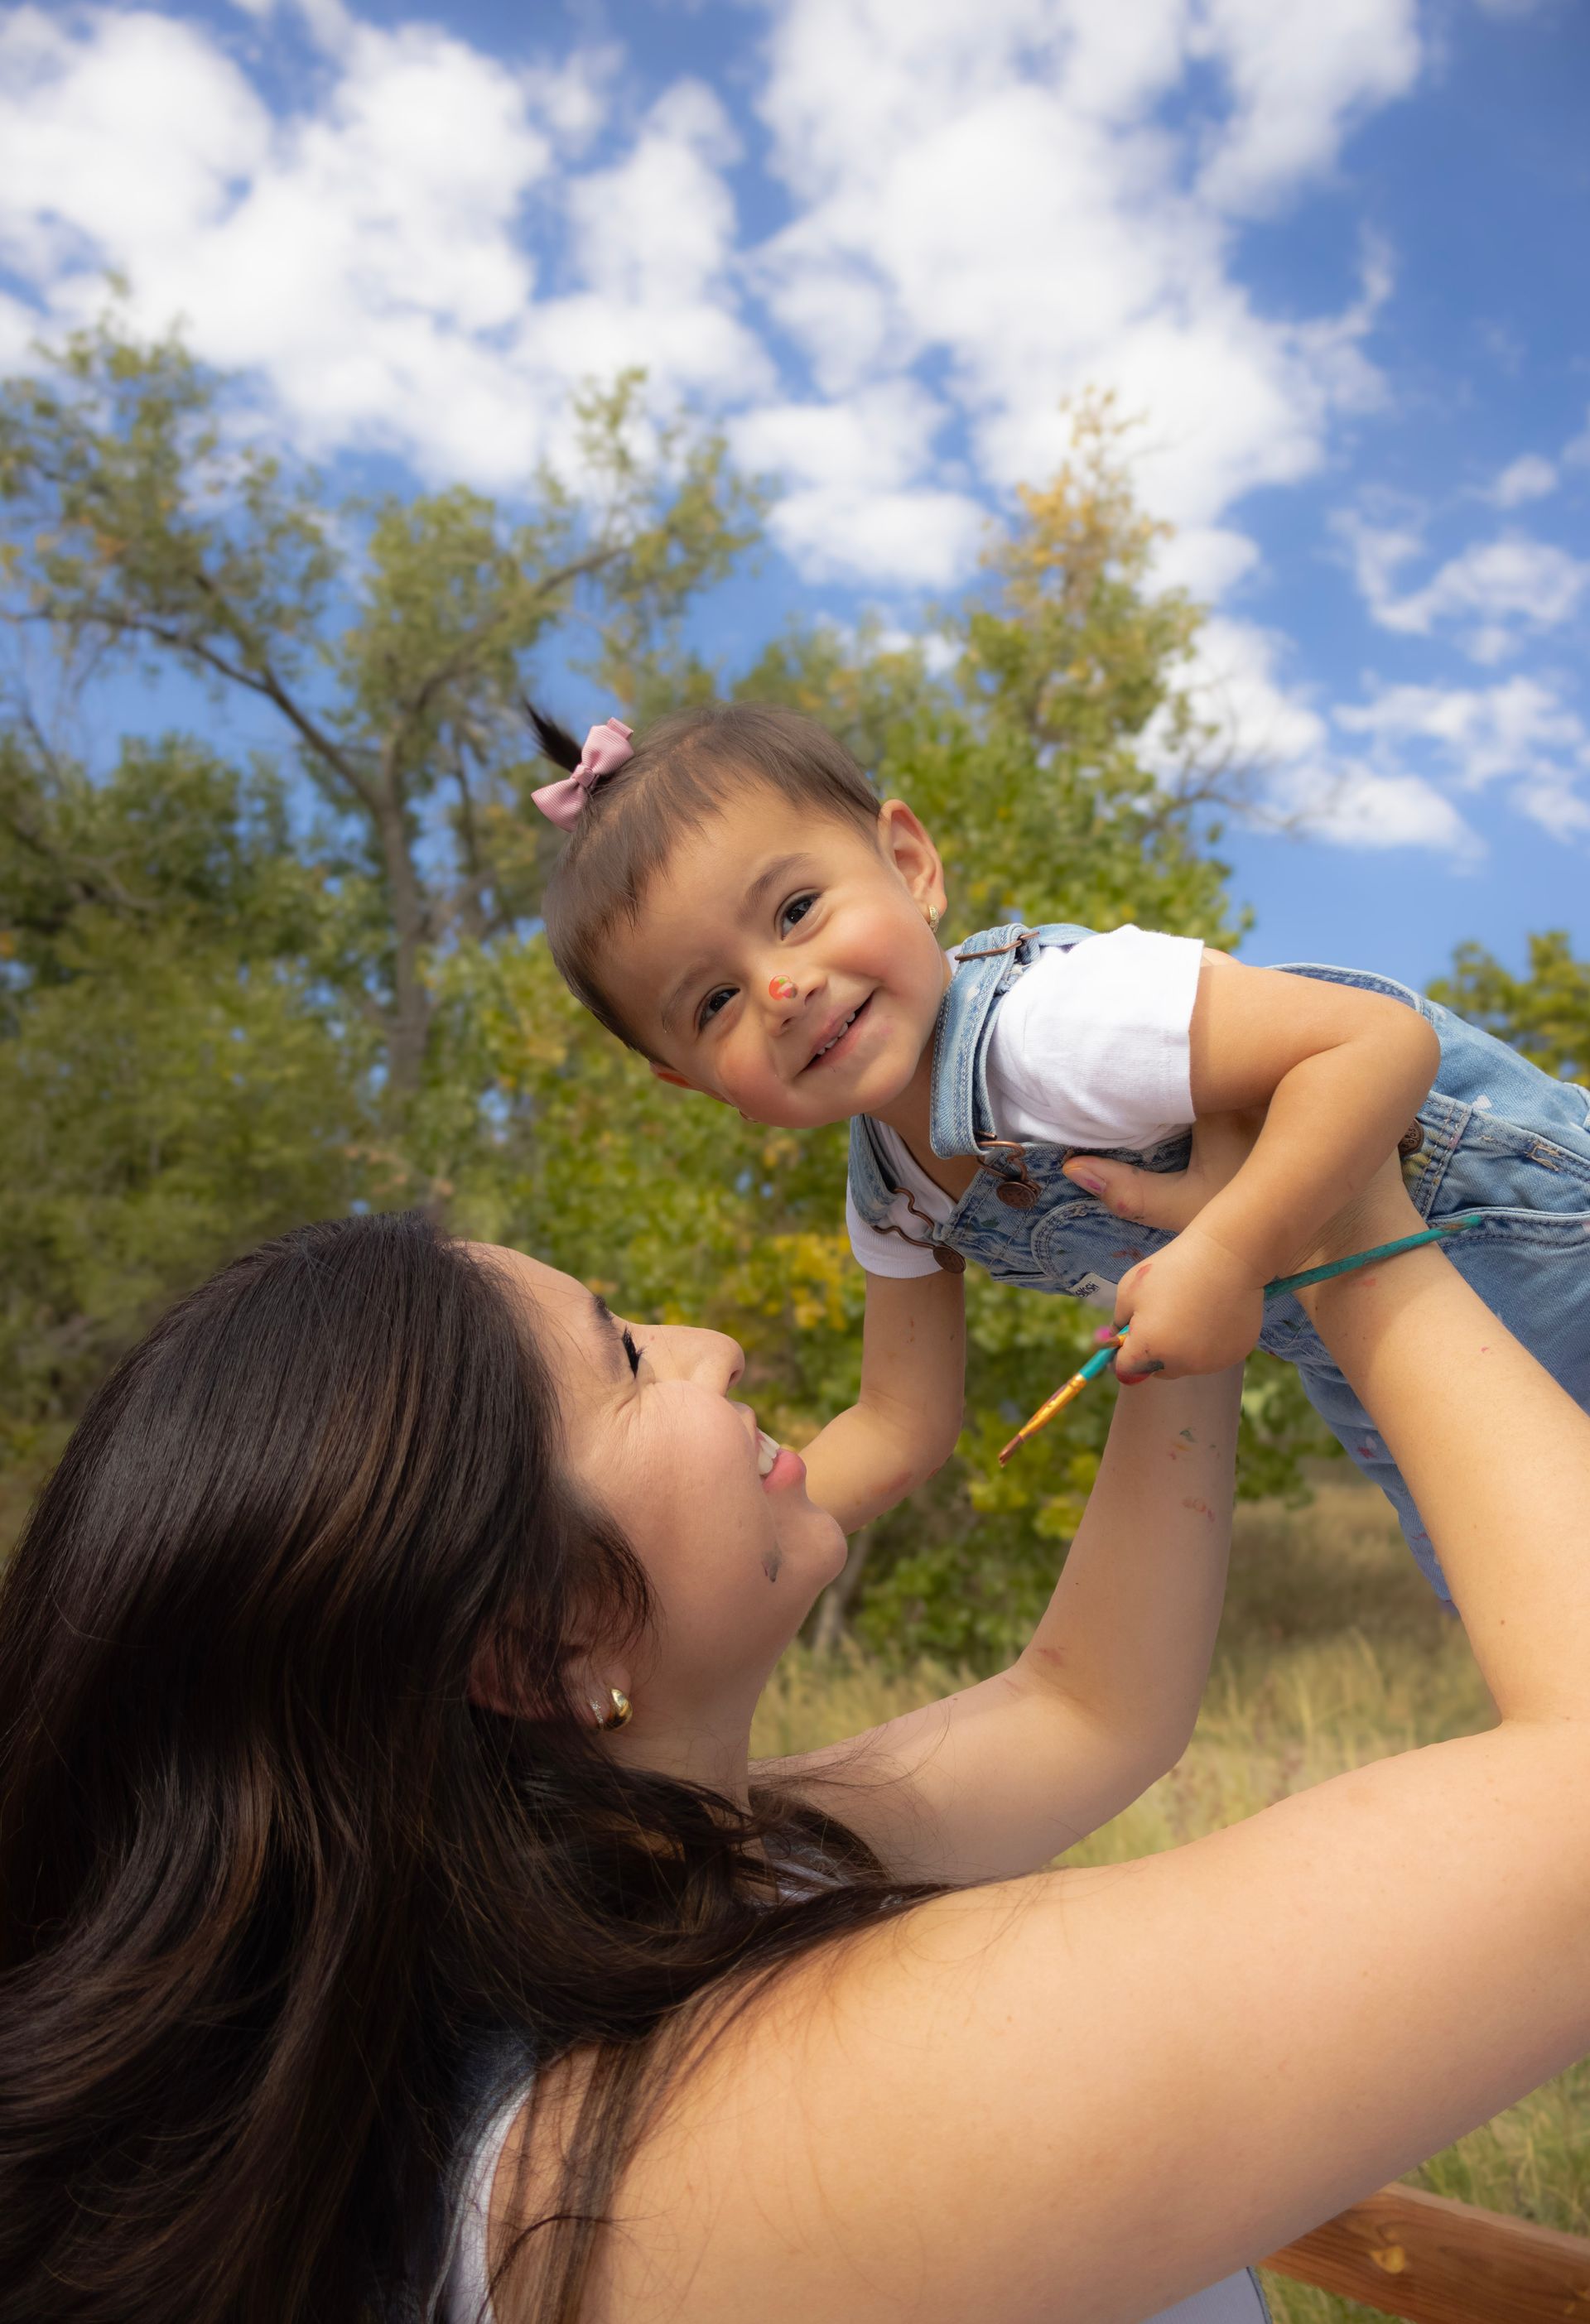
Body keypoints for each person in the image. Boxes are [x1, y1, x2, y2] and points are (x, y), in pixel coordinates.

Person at [5, 1138, 1590, 2323]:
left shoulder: (670, 1889)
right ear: (540, 1639)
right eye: (629, 1359)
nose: (716, 1348)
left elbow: (1084, 1704)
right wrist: (1341, 1199)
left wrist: (1188, 1279)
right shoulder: (724, 2143)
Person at [528, 701, 1590, 1597]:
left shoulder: (1049, 1027)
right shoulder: (894, 1189)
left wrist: (1228, 1252)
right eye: (713, 1001)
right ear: (694, 1080)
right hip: (1380, 1350)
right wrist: (704, 1558)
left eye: (797, 909)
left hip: (1534, 1232)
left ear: (910, 865)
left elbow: (1376, 1042)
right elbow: (898, 1422)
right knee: (1524, 1605)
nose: (780, 986)